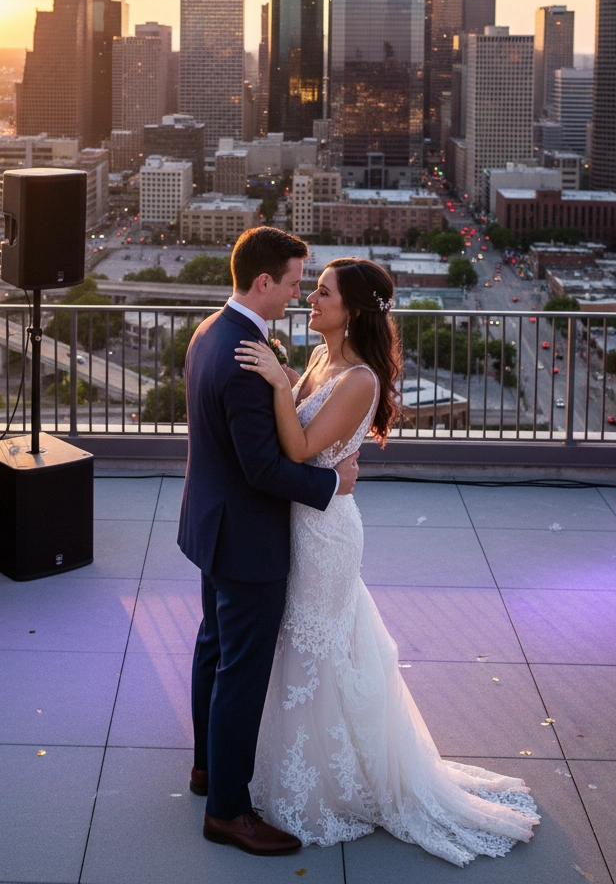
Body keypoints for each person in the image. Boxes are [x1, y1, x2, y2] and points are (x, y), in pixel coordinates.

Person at [234, 258, 540, 865]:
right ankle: (304, 767)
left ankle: (331, 787)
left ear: (353, 311)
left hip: (326, 534)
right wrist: (290, 377)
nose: (312, 299)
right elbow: (302, 436)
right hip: (304, 517)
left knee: (317, 648)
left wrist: (275, 383)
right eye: (313, 289)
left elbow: (296, 445)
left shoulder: (361, 381)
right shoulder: (322, 361)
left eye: (323, 293)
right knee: (308, 646)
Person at [177, 227, 362, 856]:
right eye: (291, 282)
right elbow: (263, 469)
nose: (297, 293)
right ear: (263, 282)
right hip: (248, 540)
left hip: (210, 524)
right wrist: (328, 481)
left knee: (213, 648)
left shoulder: (213, 333)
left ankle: (207, 769)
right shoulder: (245, 358)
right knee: (242, 672)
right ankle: (228, 811)